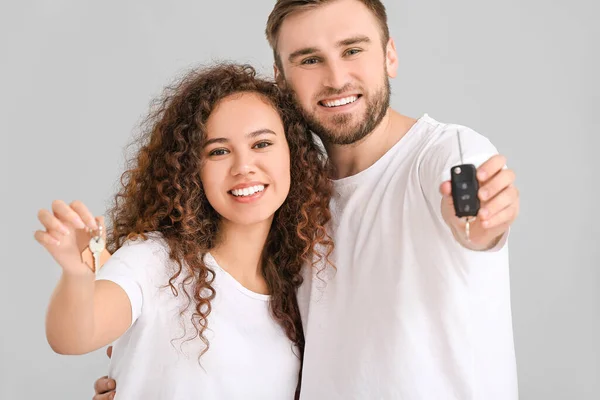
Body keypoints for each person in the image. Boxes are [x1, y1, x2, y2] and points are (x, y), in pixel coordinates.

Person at [95, 0, 521, 399]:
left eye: (352, 50)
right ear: (282, 78)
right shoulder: (286, 203)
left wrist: (480, 225)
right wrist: (148, 378)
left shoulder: (447, 155)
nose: (335, 78)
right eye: (310, 59)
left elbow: (476, 221)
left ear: (390, 55)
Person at [35, 63, 334, 399]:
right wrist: (76, 274)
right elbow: (74, 336)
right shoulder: (155, 261)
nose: (244, 166)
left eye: (261, 144)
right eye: (218, 151)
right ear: (193, 168)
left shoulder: (303, 287)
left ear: (292, 154)